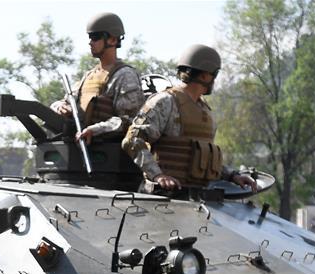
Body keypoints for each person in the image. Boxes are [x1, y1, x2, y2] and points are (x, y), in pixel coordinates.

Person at [122, 44, 257, 194]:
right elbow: (132, 140)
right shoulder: (165, 102)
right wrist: (158, 175)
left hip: (198, 199)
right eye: (215, 74)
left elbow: (203, 158)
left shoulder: (205, 111)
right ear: (205, 75)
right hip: (163, 197)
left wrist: (232, 176)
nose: (214, 80)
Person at [51, 12, 144, 143]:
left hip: (109, 153)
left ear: (113, 39)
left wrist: (95, 130)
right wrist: (59, 107)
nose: (90, 42)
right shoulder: (89, 76)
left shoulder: (125, 75)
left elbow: (130, 120)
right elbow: (64, 102)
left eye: (95, 37)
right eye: (90, 37)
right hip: (81, 146)